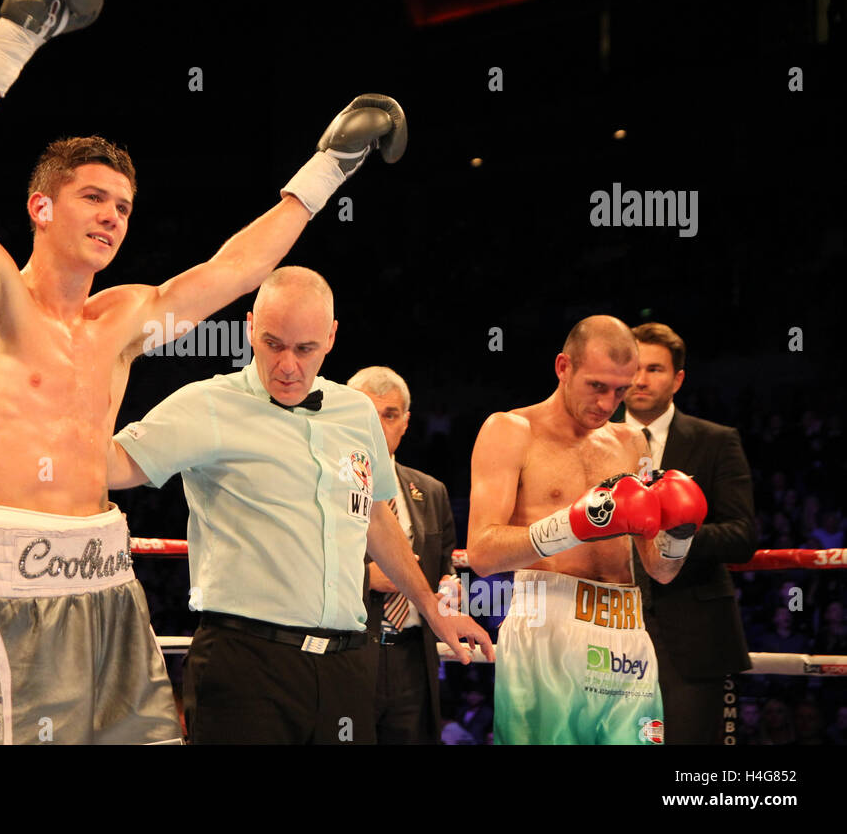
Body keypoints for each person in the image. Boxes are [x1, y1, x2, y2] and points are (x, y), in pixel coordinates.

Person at [0, 0, 407, 744]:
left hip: (110, 588)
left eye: (124, 205)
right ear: (40, 207)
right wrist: (19, 32)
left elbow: (234, 269)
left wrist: (328, 167)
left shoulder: (121, 322)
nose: (113, 215)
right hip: (9, 586)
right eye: (93, 197)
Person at [109, 268, 492, 744]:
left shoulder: (355, 412)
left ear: (331, 337)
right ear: (250, 328)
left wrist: (432, 609)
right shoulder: (207, 404)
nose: (287, 365)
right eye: (273, 344)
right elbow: (113, 465)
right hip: (247, 665)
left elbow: (376, 518)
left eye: (305, 349)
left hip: (346, 668)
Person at [466, 314, 705, 744]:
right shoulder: (510, 430)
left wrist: (679, 534)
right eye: (597, 386)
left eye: (619, 391)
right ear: (564, 367)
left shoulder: (632, 443)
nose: (607, 402)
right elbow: (482, 554)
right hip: (547, 627)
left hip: (626, 629)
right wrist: (576, 523)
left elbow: (660, 570)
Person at [622, 321, 757, 744]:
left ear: (677, 379)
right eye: (633, 367)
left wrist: (668, 537)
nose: (640, 379)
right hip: (609, 627)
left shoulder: (715, 441)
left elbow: (741, 535)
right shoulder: (590, 439)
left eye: (655, 369)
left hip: (692, 631)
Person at [348, 365, 458, 744]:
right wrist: (367, 577)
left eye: (390, 415)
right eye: (367, 413)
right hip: (349, 653)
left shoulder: (431, 491)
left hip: (414, 657)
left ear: (405, 422)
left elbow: (445, 568)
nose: (378, 426)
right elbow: (298, 565)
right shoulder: (321, 486)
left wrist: (449, 591)